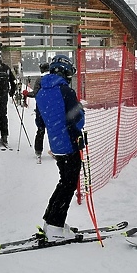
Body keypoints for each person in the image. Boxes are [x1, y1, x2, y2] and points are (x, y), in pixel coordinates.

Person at [35, 55, 85, 241]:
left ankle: (52, 220)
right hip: (70, 143)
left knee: (64, 182)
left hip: (56, 144)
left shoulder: (41, 91)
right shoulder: (66, 91)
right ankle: (55, 226)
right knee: (68, 184)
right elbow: (76, 118)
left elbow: (40, 121)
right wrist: (79, 122)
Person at [24, 62, 50, 163]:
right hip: (52, 108)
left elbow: (35, 93)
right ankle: (56, 149)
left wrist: (26, 93)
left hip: (41, 108)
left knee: (40, 130)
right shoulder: (54, 79)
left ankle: (38, 150)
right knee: (54, 130)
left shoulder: (40, 80)